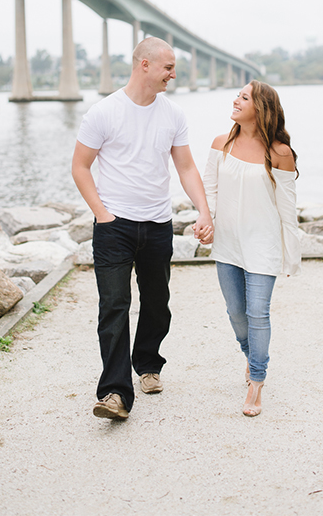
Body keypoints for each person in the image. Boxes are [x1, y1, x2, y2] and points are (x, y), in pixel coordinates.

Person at [72, 37, 214, 420]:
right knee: (114, 306)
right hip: (113, 226)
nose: (173, 74)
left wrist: (204, 211)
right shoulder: (103, 112)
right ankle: (115, 393)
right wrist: (102, 214)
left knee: (156, 302)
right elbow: (80, 166)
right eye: (168, 67)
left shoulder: (173, 114)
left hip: (157, 224)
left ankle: (148, 363)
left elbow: (185, 167)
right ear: (144, 65)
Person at [201, 80, 301, 417]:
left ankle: (256, 381)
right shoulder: (221, 144)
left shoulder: (279, 153)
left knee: (258, 313)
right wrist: (205, 221)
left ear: (261, 107)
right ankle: (250, 356)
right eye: (237, 95)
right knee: (236, 314)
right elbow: (209, 191)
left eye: (244, 97)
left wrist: (291, 255)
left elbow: (288, 209)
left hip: (263, 246)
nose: (236, 100)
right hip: (228, 245)